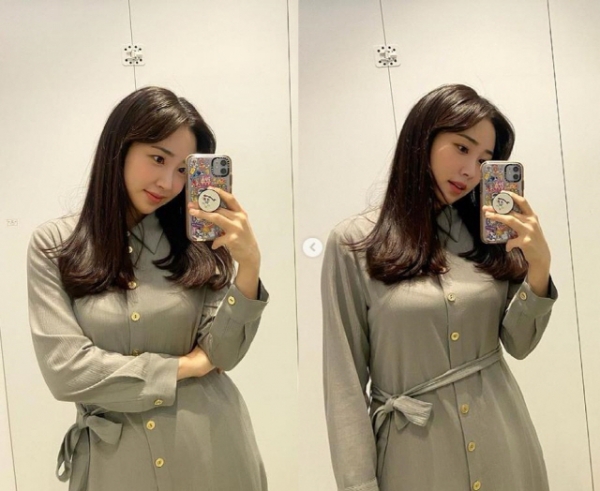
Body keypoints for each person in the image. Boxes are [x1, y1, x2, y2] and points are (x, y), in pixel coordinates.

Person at [27, 86, 269, 491]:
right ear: (119, 148)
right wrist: (187, 366)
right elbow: (66, 373)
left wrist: (249, 266)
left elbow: (224, 354)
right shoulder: (56, 246)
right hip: (116, 466)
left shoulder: (197, 244)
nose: (168, 182)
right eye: (158, 158)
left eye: (183, 170)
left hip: (212, 451)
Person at [321, 84, 557, 491]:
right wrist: (358, 484)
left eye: (483, 159)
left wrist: (539, 268)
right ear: (422, 140)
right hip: (414, 456)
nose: (470, 171)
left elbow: (518, 344)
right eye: (461, 148)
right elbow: (343, 384)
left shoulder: (489, 239)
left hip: (502, 441)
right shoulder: (355, 242)